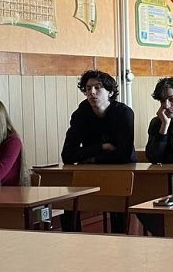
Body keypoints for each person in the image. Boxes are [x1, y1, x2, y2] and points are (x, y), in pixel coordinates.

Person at [60, 70, 135, 232]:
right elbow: (68, 155)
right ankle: (72, 241)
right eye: (88, 88)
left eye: (97, 87)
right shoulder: (80, 115)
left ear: (110, 92)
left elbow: (124, 155)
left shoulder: (124, 113)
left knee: (117, 203)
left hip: (121, 173)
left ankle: (121, 241)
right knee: (67, 201)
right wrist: (102, 147)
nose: (92, 92)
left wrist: (92, 158)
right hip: (90, 174)